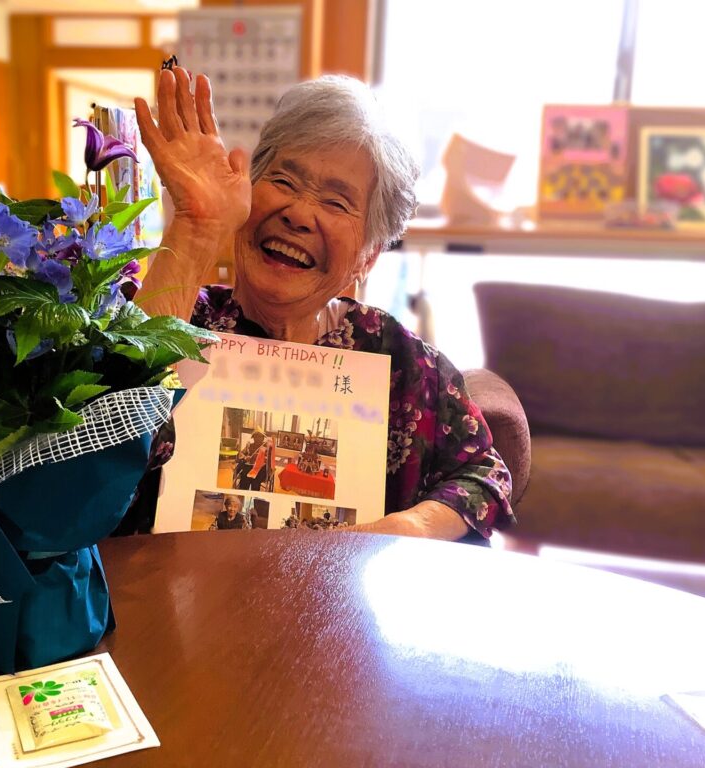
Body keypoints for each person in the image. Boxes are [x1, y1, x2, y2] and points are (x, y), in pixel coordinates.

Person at [132, 67, 515, 542]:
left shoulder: (396, 359)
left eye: (336, 203)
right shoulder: (181, 316)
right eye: (284, 181)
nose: (298, 214)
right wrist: (195, 226)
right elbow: (91, 441)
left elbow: (484, 476)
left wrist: (407, 526)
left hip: (336, 589)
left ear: (368, 256)